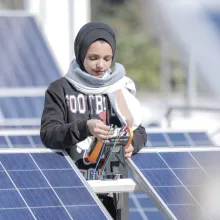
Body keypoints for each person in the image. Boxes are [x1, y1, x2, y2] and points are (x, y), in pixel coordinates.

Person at [40, 21, 147, 220]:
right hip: (72, 188)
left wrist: (132, 144)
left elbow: (138, 130)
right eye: (93, 58)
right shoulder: (60, 89)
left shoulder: (119, 88)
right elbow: (48, 134)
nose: (101, 65)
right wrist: (84, 127)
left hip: (114, 189)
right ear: (81, 55)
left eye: (107, 59)